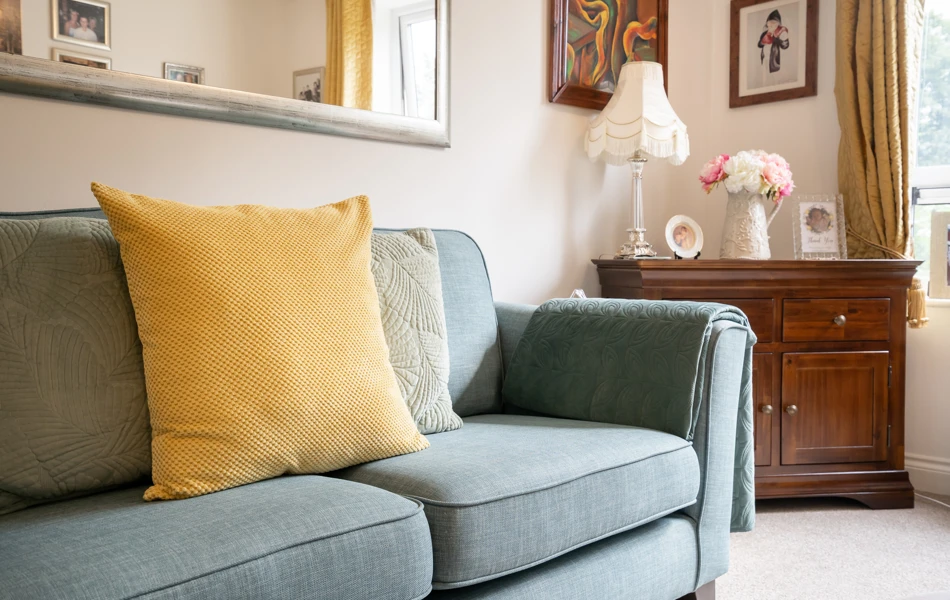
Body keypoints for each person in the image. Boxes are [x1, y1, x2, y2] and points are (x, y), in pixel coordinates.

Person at [757, 10, 789, 83]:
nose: (771, 25)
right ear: (767, 23)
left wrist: (782, 38)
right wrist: (764, 40)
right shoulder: (764, 33)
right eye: (770, 22)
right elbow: (759, 45)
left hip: (774, 59)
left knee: (775, 78)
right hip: (764, 58)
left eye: (774, 23)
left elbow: (785, 46)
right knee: (764, 78)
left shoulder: (779, 34)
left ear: (778, 24)